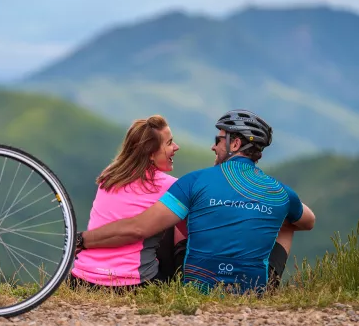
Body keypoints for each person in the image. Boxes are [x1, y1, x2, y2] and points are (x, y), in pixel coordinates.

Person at [75, 109, 316, 294]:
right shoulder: (281, 192)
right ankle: (265, 282)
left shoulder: (192, 182)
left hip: (197, 286)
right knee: (288, 222)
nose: (213, 145)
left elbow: (140, 226)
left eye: (219, 139)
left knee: (175, 214)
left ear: (235, 144)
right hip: (253, 289)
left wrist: (81, 240)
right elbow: (309, 221)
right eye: (170, 143)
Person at [71, 114, 186, 288]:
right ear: (151, 154)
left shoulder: (109, 176)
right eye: (169, 143)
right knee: (175, 216)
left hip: (81, 278)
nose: (176, 147)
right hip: (130, 283)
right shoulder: (170, 186)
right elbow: (192, 232)